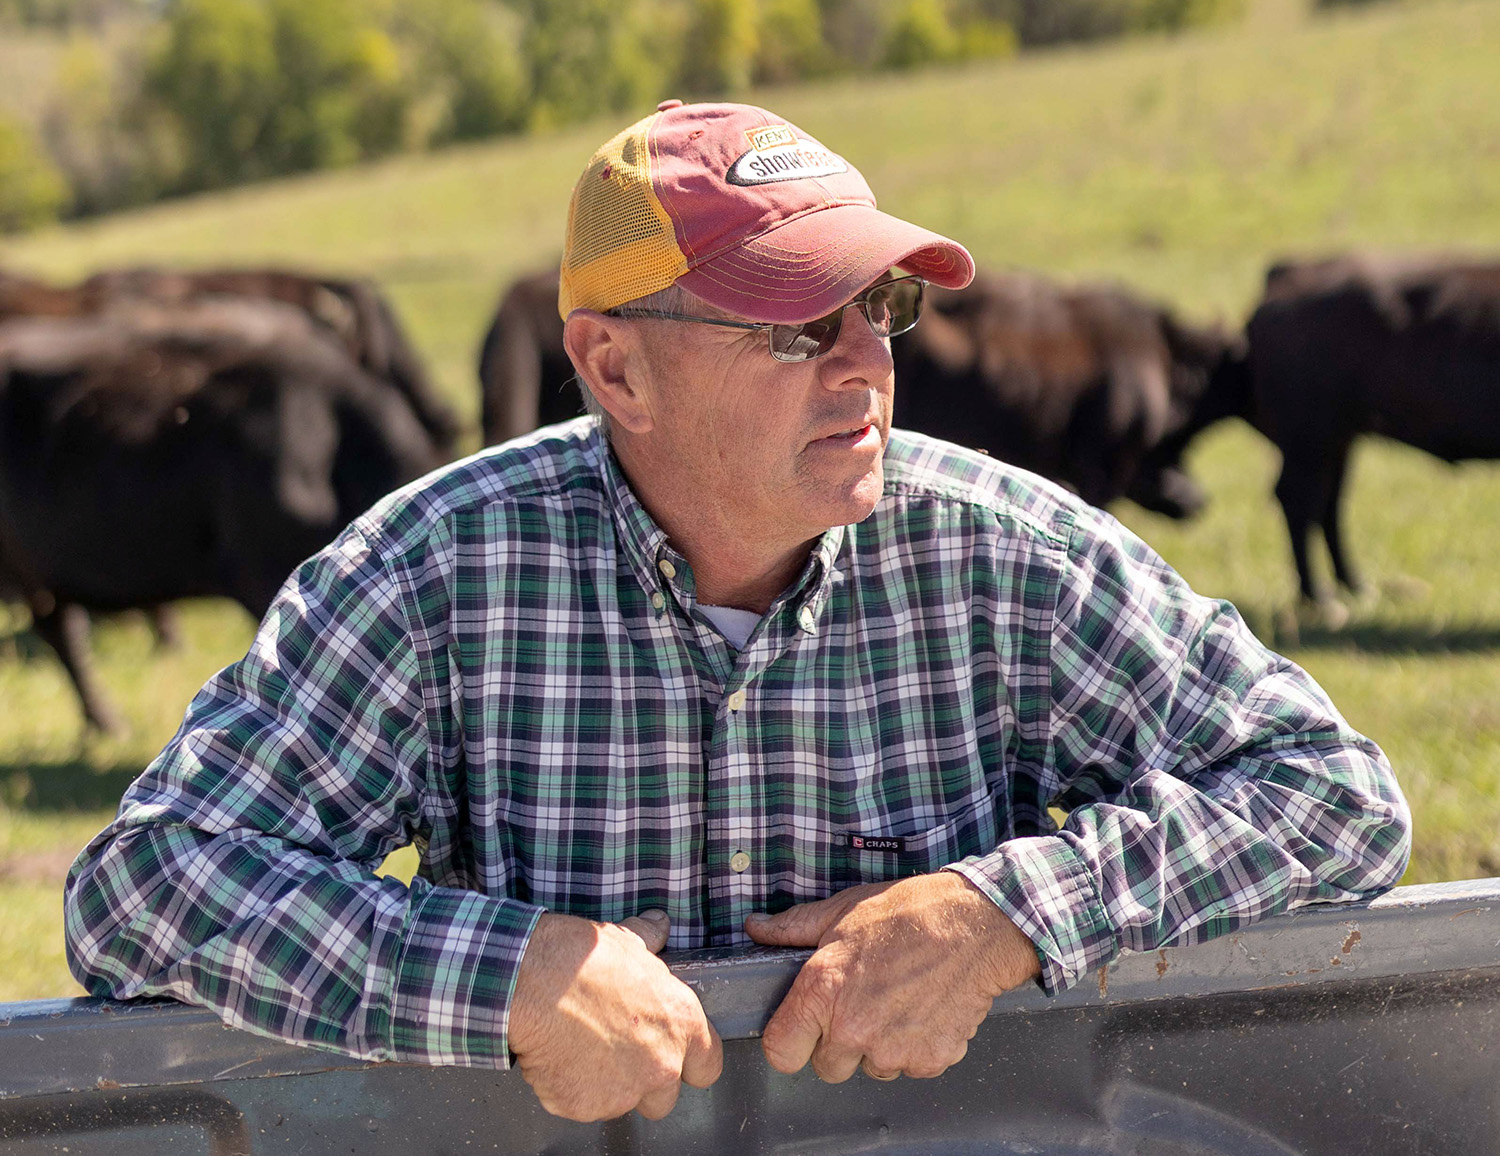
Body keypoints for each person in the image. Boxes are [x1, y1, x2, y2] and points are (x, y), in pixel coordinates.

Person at [64, 100, 1411, 1124]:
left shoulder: (1008, 555)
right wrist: (508, 976)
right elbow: (147, 887)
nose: (868, 366)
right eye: (792, 325)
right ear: (614, 367)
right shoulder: (435, 577)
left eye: (880, 306)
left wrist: (1006, 910)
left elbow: (1332, 793)